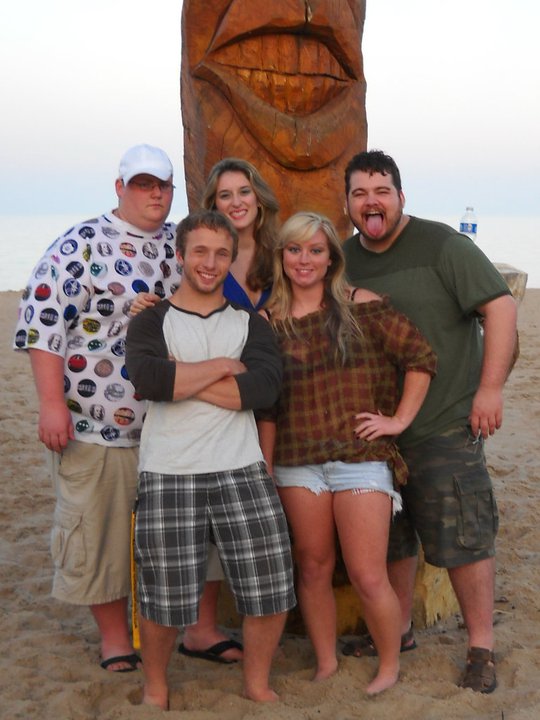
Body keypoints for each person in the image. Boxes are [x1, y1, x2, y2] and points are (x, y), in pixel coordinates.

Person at [341, 150, 518, 694]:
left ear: (400, 196)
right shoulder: (343, 258)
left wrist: (489, 389)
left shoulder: (444, 245)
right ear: (347, 202)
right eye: (360, 193)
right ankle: (399, 631)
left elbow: (501, 309)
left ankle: (480, 648)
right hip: (375, 433)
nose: (372, 202)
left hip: (442, 423)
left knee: (463, 540)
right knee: (393, 544)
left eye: (382, 190)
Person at [12, 144, 180, 672]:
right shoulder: (81, 244)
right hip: (92, 422)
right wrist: (48, 404)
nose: (154, 194)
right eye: (142, 184)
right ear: (120, 188)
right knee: (96, 530)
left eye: (163, 185)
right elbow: (43, 324)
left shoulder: (179, 245)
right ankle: (114, 640)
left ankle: (188, 632)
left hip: (168, 428)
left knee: (166, 537)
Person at [258, 212, 437, 694]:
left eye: (316, 250)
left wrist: (397, 420)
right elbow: (267, 406)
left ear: (331, 258)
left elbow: (420, 357)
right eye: (294, 250)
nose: (304, 260)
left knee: (365, 572)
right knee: (313, 567)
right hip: (298, 461)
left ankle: (388, 665)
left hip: (359, 457)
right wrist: (268, 466)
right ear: (282, 256)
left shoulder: (363, 306)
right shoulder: (267, 320)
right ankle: (325, 663)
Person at [124, 209, 296, 709]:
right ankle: (155, 686)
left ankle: (256, 683)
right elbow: (151, 381)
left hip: (241, 468)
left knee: (269, 584)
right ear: (180, 255)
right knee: (163, 594)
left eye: (222, 253)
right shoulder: (151, 321)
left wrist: (187, 379)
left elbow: (264, 387)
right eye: (199, 251)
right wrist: (224, 368)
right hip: (168, 471)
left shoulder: (250, 324)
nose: (210, 262)